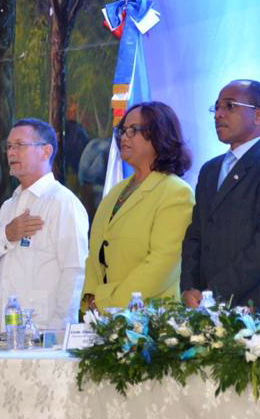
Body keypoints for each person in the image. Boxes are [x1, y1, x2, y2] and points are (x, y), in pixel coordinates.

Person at [180, 80, 260, 311]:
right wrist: (189, 287)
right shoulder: (209, 170)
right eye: (216, 107)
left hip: (254, 308)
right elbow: (195, 237)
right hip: (204, 306)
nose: (218, 114)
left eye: (229, 106)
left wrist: (212, 294)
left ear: (259, 116)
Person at [0, 118, 89, 335]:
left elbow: (75, 271)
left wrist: (57, 334)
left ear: (45, 151)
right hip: (4, 333)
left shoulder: (62, 202)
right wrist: (7, 234)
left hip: (42, 335)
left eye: (19, 145)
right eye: (9, 147)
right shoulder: (9, 206)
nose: (11, 153)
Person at [82, 101, 195, 311]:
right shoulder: (116, 192)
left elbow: (162, 264)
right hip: (103, 317)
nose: (124, 137)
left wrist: (108, 302)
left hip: (149, 318)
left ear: (160, 134)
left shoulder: (175, 192)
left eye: (133, 130)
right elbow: (95, 252)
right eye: (123, 130)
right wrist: (91, 299)